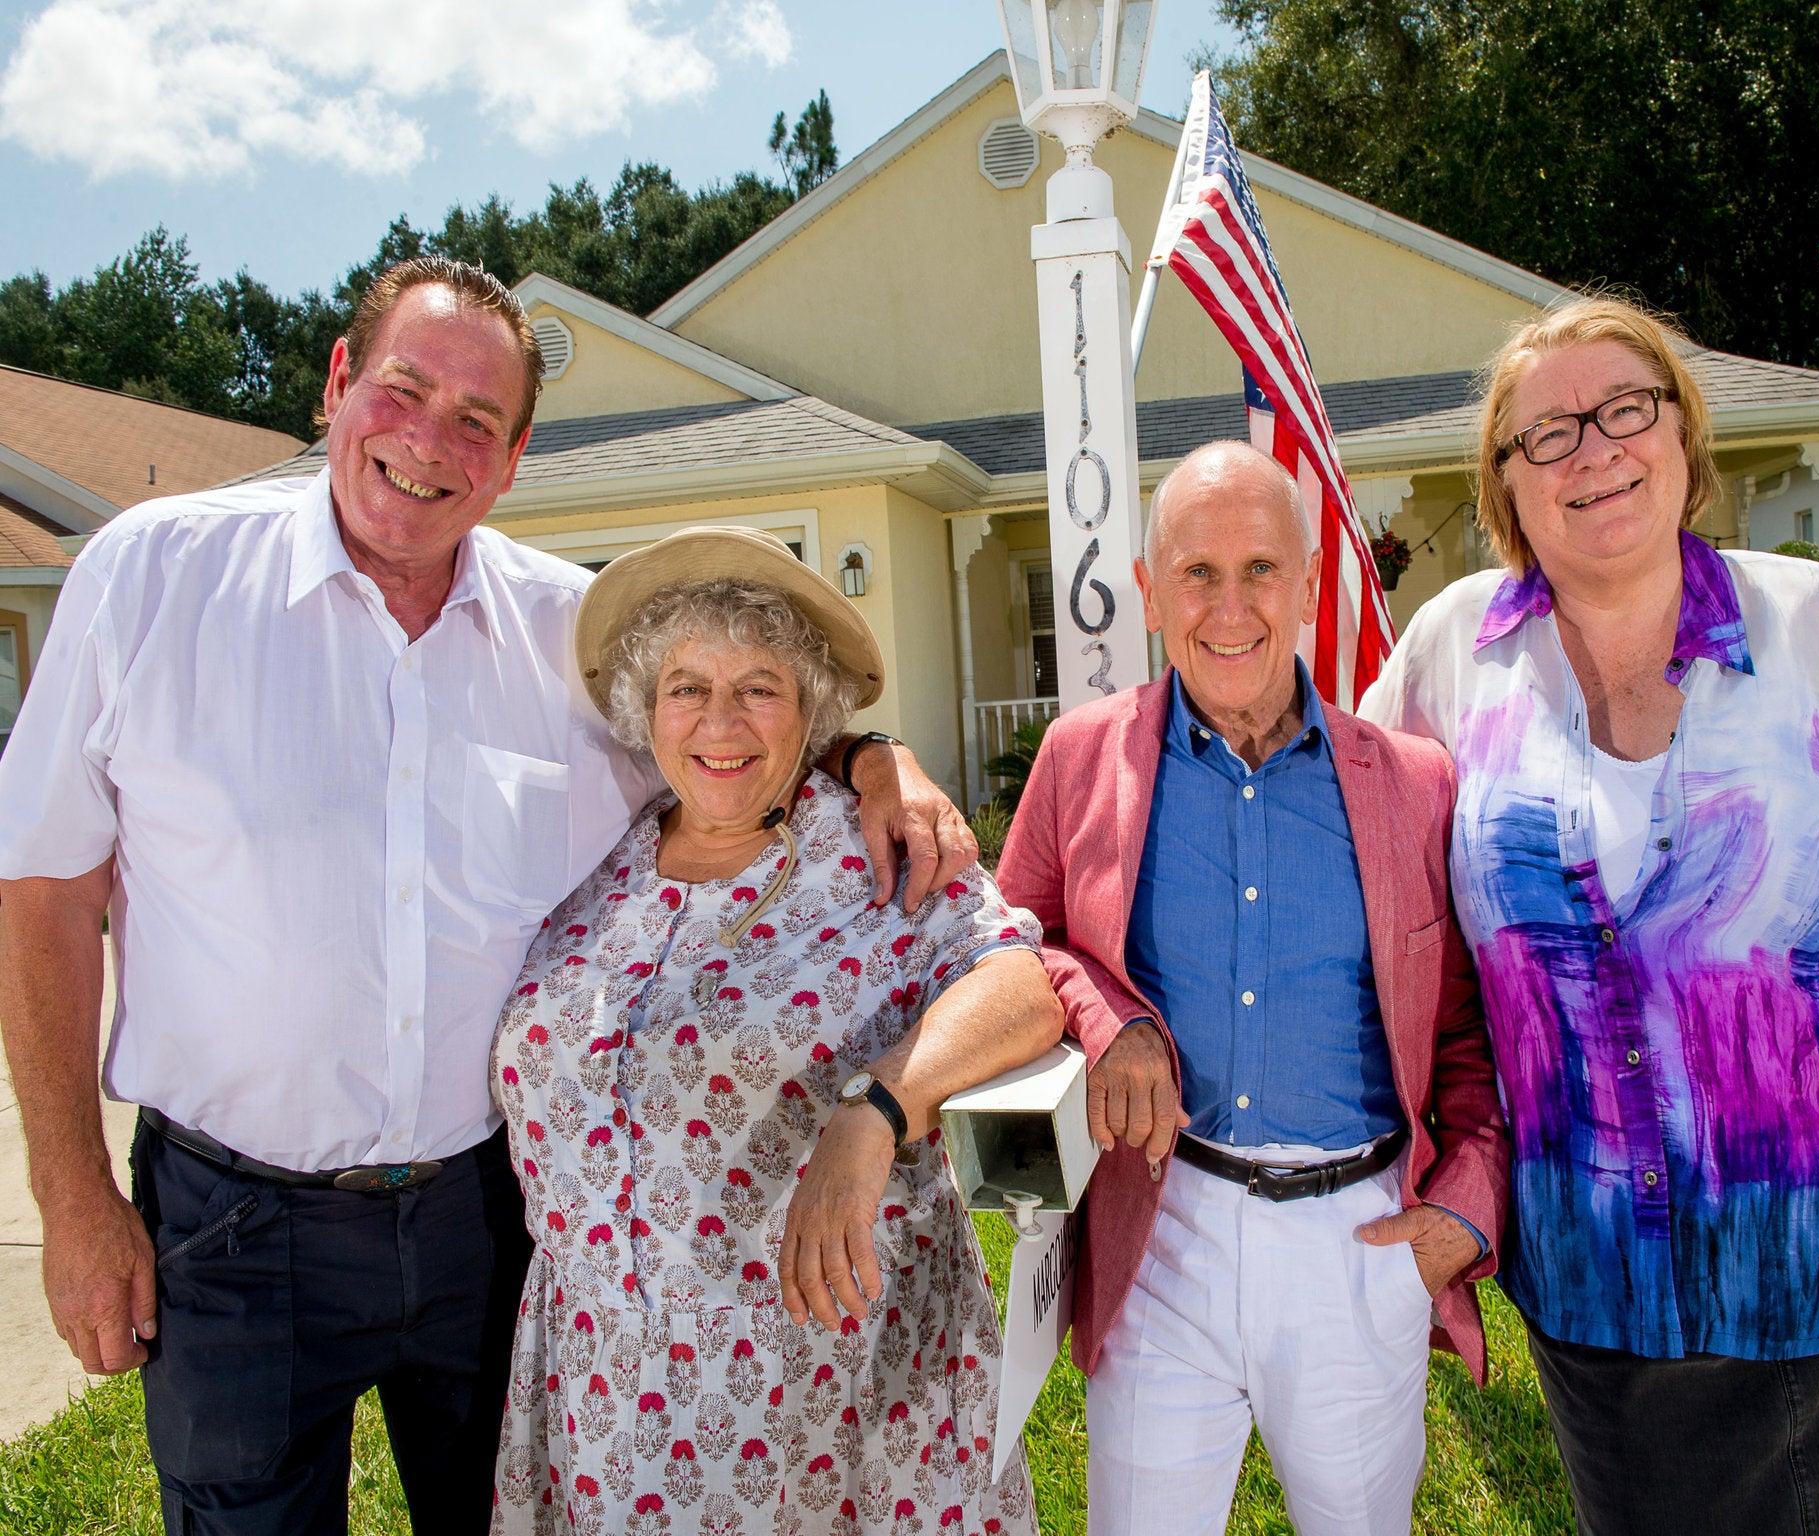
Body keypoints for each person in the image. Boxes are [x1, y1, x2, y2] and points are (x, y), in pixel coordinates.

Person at [0, 256, 976, 1536]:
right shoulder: (153, 579)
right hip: (232, 1223)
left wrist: (868, 755)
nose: (428, 443)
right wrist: (72, 1196)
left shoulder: (571, 642)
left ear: (511, 459)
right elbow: (43, 890)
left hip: (492, 1218)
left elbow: (727, 744)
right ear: (337, 385)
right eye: (403, 391)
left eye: (476, 421)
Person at [1361, 294, 1819, 1535]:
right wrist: (871, 759)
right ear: (1504, 484)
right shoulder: (1451, 653)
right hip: (1601, 1282)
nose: (1594, 451)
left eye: (1624, 410)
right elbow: (1341, 846)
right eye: (1546, 433)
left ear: (1680, 434)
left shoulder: (1814, 621)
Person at [489, 528, 1059, 1534]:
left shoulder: (873, 850)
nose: (719, 722)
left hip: (825, 1398)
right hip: (600, 1394)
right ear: (643, 708)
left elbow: (1017, 986)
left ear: (810, 711)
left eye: (758, 686)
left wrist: (876, 1110)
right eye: (684, 687)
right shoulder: (600, 854)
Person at [996, 440, 1509, 1535]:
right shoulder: (1082, 757)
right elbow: (1008, 944)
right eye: (1195, 573)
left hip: (1359, 1244)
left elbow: (1471, 1032)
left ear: (1310, 582)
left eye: (1260, 571)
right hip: (1160, 1222)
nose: (1229, 607)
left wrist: (1462, 1212)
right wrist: (1109, 1017)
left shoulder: (1413, 784)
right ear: (1148, 591)